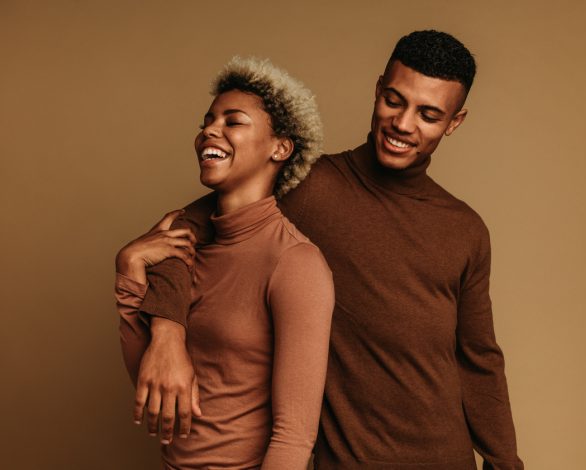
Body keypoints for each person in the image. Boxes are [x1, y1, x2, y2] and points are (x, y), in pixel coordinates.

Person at [135, 31, 524, 469]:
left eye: (429, 114)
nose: (403, 124)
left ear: (454, 121)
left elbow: (479, 359)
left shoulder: (465, 229)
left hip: (444, 456)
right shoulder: (307, 185)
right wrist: (168, 331)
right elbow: (180, 230)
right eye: (395, 101)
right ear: (378, 91)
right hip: (342, 458)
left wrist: (505, 461)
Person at [114, 57, 334, 469]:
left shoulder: (295, 262)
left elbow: (294, 436)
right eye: (207, 120)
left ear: (280, 147)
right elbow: (153, 391)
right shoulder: (179, 245)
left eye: (233, 121)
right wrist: (129, 268)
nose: (209, 131)